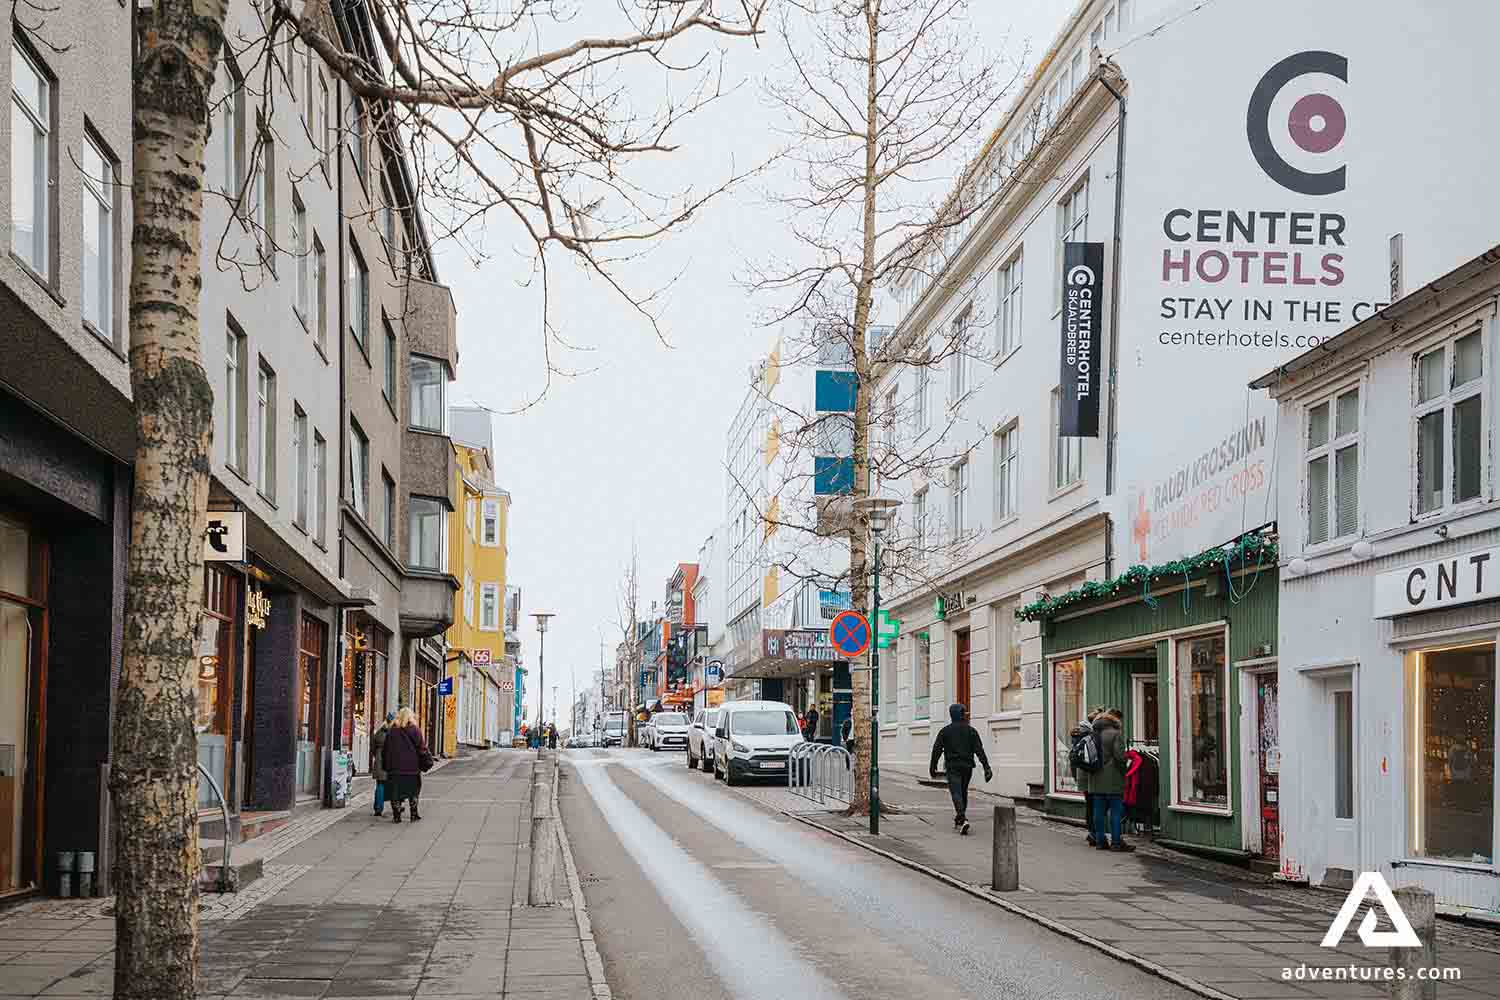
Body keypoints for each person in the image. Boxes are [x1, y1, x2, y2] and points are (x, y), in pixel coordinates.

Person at [929, 703, 991, 835]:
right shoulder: (971, 731)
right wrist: (987, 767)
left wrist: (933, 766)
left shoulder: (945, 731)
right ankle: (959, 818)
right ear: (961, 715)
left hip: (953, 767)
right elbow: (979, 750)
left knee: (956, 792)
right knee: (963, 792)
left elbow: (937, 749)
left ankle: (962, 818)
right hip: (967, 767)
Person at [1091, 708, 1134, 852]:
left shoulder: (1092, 734)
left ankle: (1100, 841)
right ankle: (1116, 842)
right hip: (1113, 778)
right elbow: (1120, 758)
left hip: (1095, 777)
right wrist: (1124, 771)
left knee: (1098, 812)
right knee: (1115, 811)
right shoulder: (1115, 734)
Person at [383, 707, 430, 823]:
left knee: (395, 792)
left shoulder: (391, 731)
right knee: (413, 791)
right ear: (410, 717)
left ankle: (397, 815)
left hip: (395, 769)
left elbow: (385, 750)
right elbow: (422, 749)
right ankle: (414, 814)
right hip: (412, 768)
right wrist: (425, 762)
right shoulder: (415, 730)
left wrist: (386, 766)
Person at [1071, 707, 1102, 846]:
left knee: (1090, 804)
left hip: (1082, 774)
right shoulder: (1088, 735)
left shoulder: (1079, 734)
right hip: (1088, 774)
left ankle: (1092, 832)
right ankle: (1093, 832)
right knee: (1093, 804)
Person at [370, 712, 394, 817]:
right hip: (392, 761)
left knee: (380, 785)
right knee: (395, 785)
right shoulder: (395, 733)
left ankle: (378, 808)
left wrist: (378, 755)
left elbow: (373, 749)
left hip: (380, 760)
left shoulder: (379, 732)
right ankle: (396, 808)